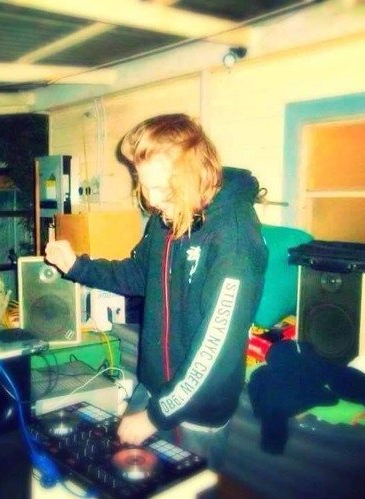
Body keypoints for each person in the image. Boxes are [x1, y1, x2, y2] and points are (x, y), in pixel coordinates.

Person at [44, 113, 268, 470]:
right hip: (151, 387)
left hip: (195, 408)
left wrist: (155, 416)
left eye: (163, 189)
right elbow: (138, 275)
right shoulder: (168, 216)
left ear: (197, 173)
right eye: (144, 185)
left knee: (187, 489)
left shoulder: (235, 240)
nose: (152, 201)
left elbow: (216, 349)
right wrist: (77, 267)